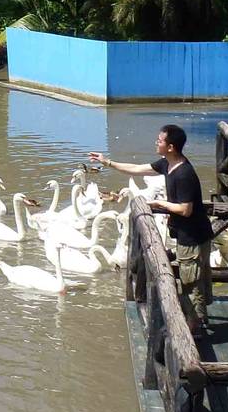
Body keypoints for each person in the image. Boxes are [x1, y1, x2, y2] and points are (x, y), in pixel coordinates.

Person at [90, 125, 215, 332]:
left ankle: (195, 328)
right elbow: (138, 169)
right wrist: (107, 162)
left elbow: (185, 210)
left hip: (192, 236)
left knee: (190, 281)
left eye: (160, 140)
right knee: (192, 279)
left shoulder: (184, 173)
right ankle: (197, 320)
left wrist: (160, 205)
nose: (156, 143)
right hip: (189, 233)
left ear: (171, 147)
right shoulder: (168, 164)